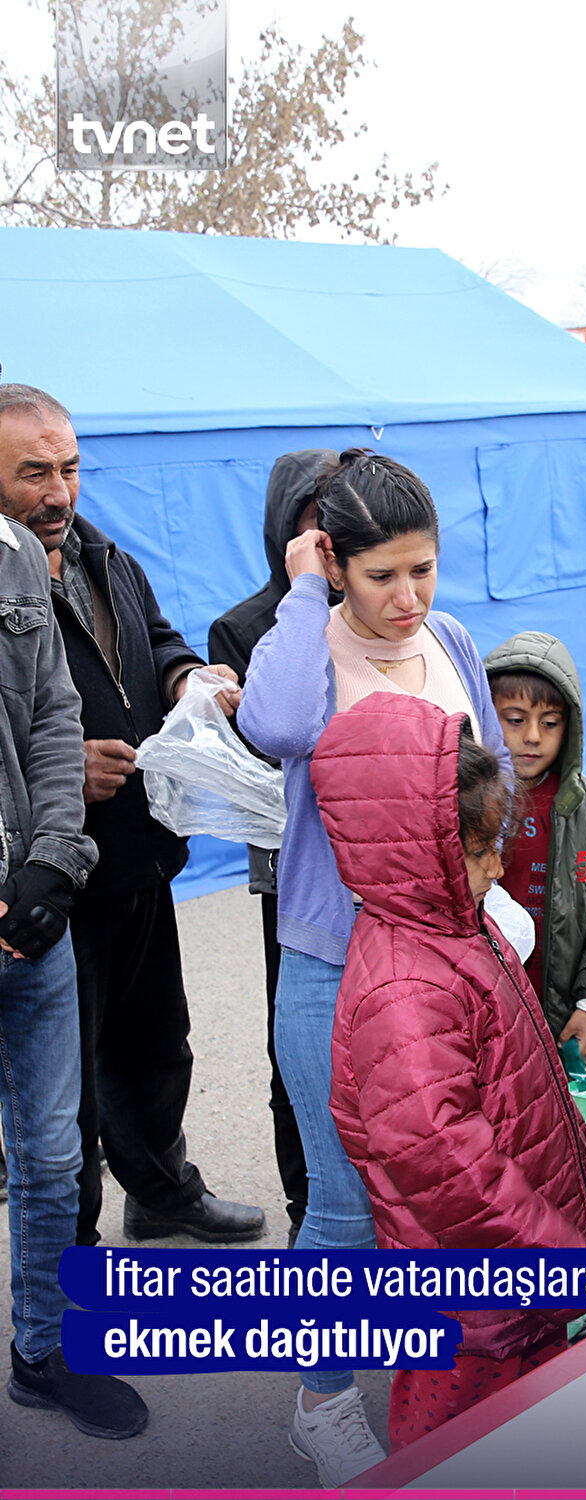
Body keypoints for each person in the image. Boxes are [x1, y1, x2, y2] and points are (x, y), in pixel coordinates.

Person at [237, 448, 509, 1487]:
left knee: (441, 1190)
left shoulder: (452, 640)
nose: (407, 598)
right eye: (381, 574)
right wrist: (306, 596)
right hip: (333, 965)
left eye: (423, 570)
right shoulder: (304, 651)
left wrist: (501, 911)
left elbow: (483, 785)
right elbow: (275, 726)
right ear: (332, 561)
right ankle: (320, 1404)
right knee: (347, 1205)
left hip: (448, 962)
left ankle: (431, 1375)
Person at [0, 383, 264, 1248]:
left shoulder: (101, 555)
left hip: (141, 856)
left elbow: (153, 638)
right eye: (32, 473)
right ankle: (65, 1264)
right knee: (60, 1091)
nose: (58, 493)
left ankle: (159, 1191)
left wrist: (190, 677)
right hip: (49, 878)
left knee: (156, 1047)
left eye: (70, 469)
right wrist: (59, 774)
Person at [310, 694, 586, 1452]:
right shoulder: (404, 989)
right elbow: (449, 1165)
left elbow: (518, 1075)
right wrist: (558, 1254)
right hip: (475, 1293)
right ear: (411, 849)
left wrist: (575, 1157)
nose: (496, 865)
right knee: (460, 1443)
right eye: (478, 851)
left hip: (514, 1264)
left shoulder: (454, 927)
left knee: (535, 1426)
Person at [0, 497, 146, 1438]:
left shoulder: (12, 553)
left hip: (31, 915)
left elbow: (54, 713)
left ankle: (41, 1348)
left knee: (52, 1156)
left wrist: (56, 855)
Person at [209, 448, 336, 1246]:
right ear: (283, 528)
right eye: (314, 521)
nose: (330, 538)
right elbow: (257, 752)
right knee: (296, 1049)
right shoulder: (248, 623)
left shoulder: (382, 604)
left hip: (377, 867)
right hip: (290, 872)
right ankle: (306, 1211)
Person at [484, 631, 586, 1066]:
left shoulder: (585, 809)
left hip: (557, 1019)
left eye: (549, 723)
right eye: (514, 720)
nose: (533, 736)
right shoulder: (464, 800)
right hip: (478, 1016)